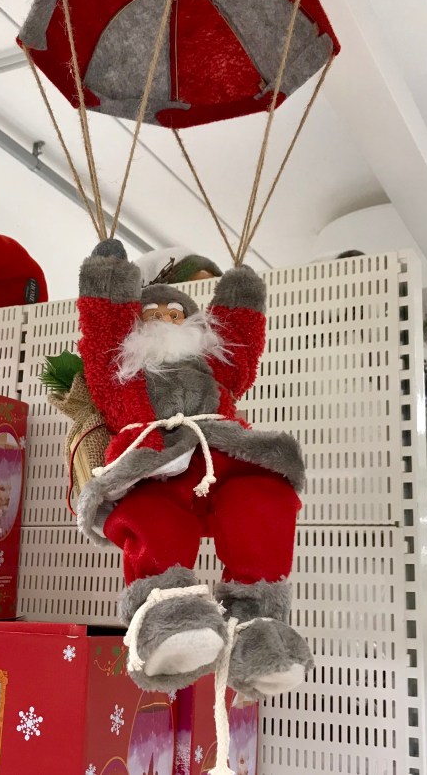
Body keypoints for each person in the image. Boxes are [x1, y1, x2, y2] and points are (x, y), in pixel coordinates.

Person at [75, 238, 311, 696]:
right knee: (152, 519)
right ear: (134, 324)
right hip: (155, 463)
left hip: (222, 455)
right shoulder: (121, 373)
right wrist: (107, 279)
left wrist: (241, 294)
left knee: (263, 500)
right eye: (153, 313)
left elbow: (239, 345)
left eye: (176, 313)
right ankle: (168, 617)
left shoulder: (214, 369)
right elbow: (102, 336)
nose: (165, 318)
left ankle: (257, 627)